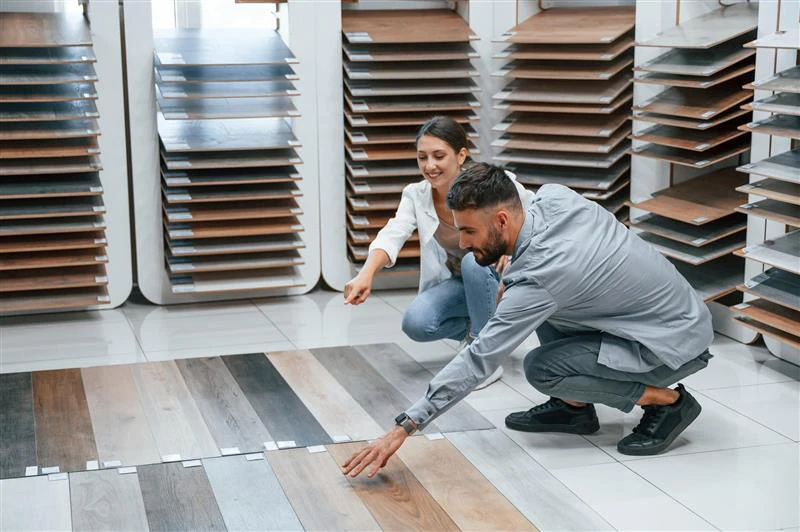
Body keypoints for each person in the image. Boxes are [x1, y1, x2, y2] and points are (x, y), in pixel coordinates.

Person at [342, 162, 714, 478]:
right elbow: (535, 250)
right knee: (537, 304)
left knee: (541, 369)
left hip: (671, 345)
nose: (463, 243)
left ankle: (667, 401)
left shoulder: (542, 278)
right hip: (672, 317)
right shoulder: (553, 196)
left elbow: (479, 358)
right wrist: (509, 275)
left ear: (501, 219)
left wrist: (405, 425)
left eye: (470, 231)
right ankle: (574, 409)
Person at [344, 116, 533, 389]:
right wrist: (366, 273)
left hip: (503, 279)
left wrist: (511, 245)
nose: (429, 166)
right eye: (422, 157)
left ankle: (483, 361)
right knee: (417, 323)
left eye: (439, 156)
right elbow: (393, 232)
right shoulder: (416, 195)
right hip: (464, 280)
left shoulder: (491, 183)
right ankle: (477, 335)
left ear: (461, 155)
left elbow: (534, 211)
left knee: (473, 262)